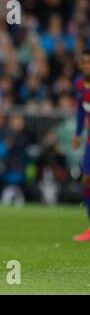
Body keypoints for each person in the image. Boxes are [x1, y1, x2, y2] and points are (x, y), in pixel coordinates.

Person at [71, 49, 90, 242]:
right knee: (86, 180)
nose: (86, 66)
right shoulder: (79, 83)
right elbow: (81, 111)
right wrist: (77, 134)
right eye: (83, 62)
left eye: (88, 62)